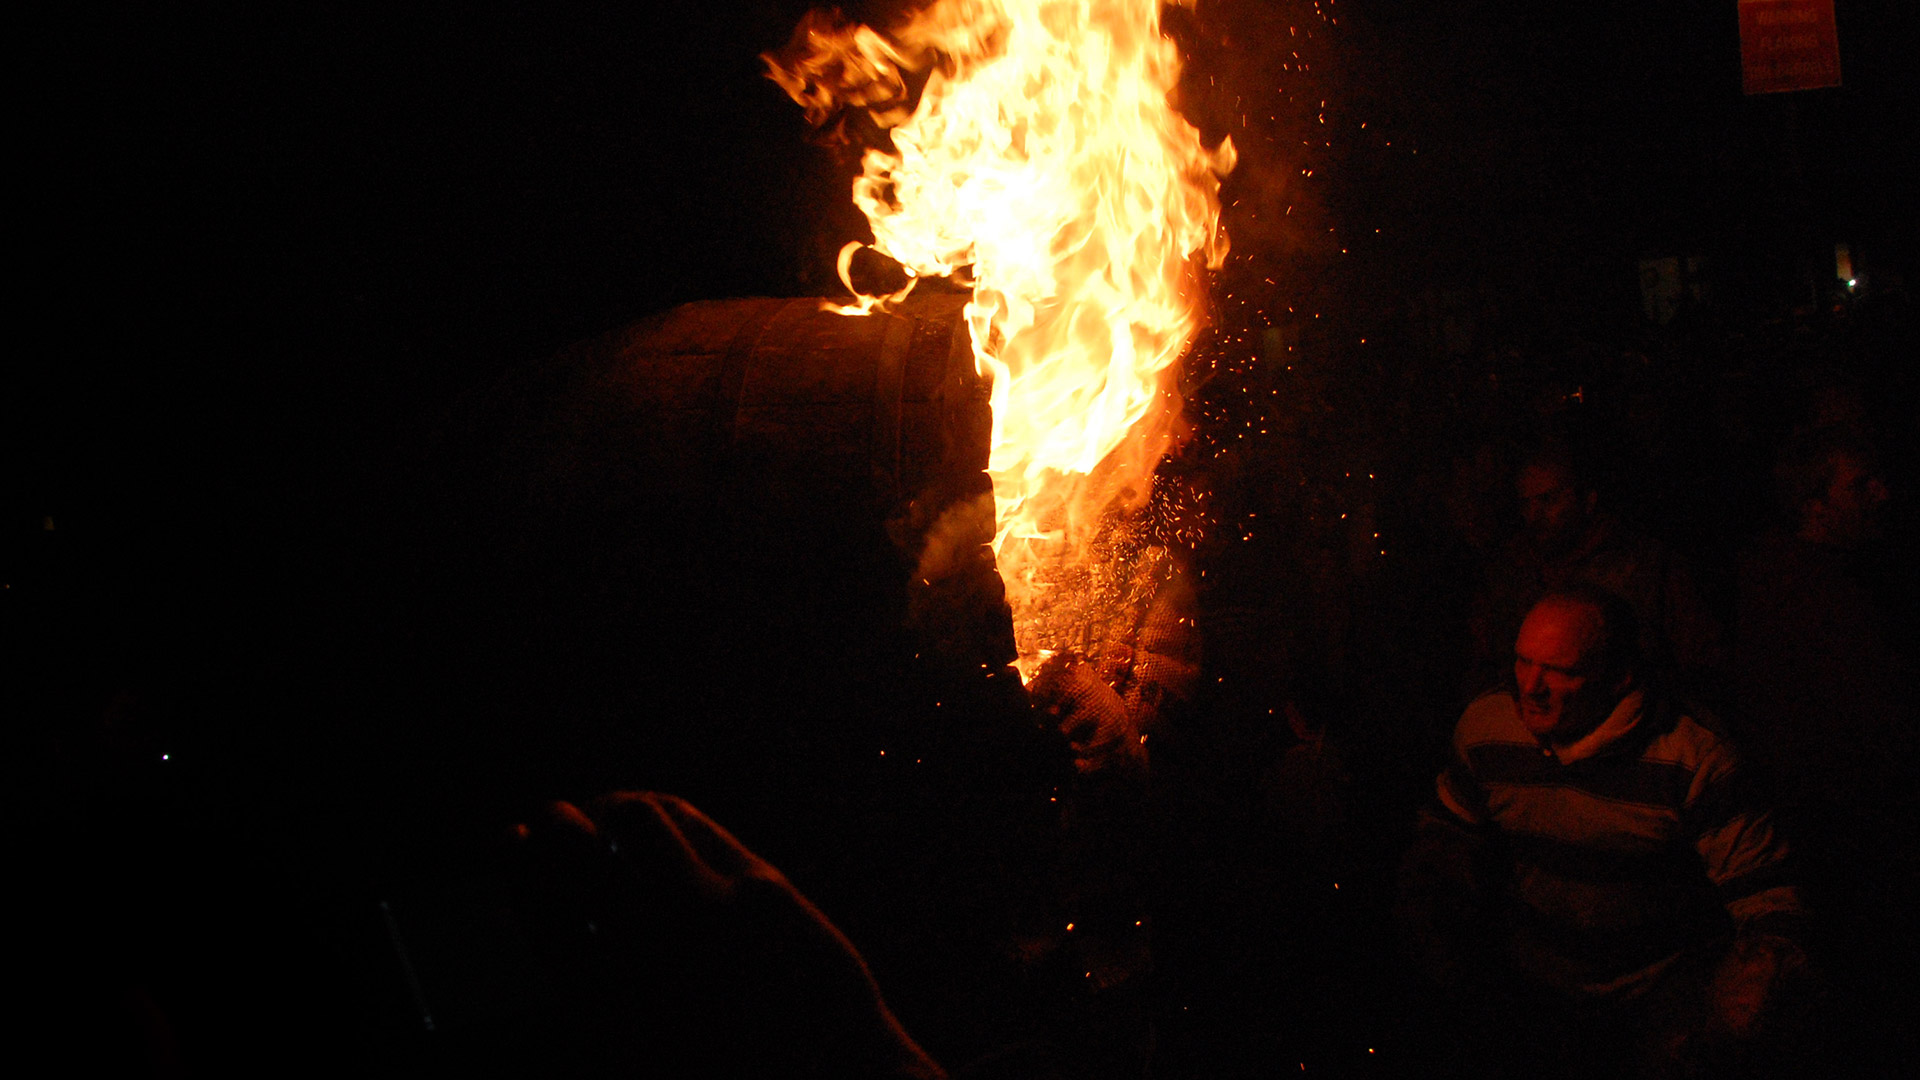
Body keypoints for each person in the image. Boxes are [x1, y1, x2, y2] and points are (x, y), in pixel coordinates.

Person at [1402, 587, 1807, 1077]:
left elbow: (1769, 899)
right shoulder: (1489, 730)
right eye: (1523, 661)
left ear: (1618, 678)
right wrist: (1440, 937)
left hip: (1659, 1004)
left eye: (1561, 671)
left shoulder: (1692, 760)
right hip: (1531, 989)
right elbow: (1445, 837)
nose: (1531, 687)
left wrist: (1739, 1003)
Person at [1469, 444, 1721, 701]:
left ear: (1587, 500)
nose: (1535, 515)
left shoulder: (1647, 565)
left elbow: (1699, 661)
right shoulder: (1508, 572)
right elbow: (1483, 660)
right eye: (1526, 503)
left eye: (1548, 500)